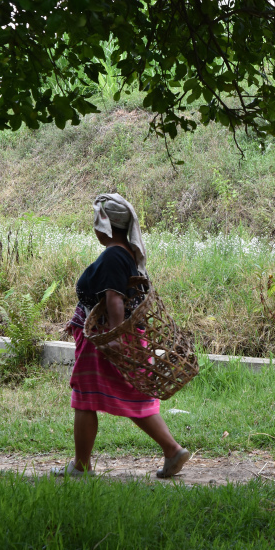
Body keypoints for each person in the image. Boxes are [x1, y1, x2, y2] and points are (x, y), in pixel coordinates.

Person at [51, 193, 189, 478]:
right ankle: (172, 450)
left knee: (85, 396)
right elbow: (103, 299)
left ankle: (81, 466)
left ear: (105, 225)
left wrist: (115, 337)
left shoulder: (113, 255)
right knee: (133, 396)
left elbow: (114, 298)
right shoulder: (125, 254)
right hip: (113, 336)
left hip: (104, 340)